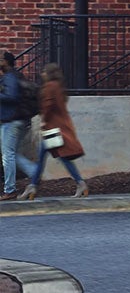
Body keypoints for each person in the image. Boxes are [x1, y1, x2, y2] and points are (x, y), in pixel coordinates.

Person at [17, 63, 87, 200]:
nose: (42, 74)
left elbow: (48, 105)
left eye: (44, 71)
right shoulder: (59, 86)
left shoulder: (50, 86)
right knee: (48, 157)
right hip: (57, 128)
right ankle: (32, 186)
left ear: (49, 73)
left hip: (52, 128)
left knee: (58, 158)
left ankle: (33, 187)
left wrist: (43, 120)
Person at [0, 51, 37, 201]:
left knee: (7, 155)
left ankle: (10, 189)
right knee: (11, 154)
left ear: (6, 62)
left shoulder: (10, 77)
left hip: (12, 121)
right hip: (17, 120)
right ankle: (35, 172)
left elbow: (11, 97)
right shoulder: (13, 76)